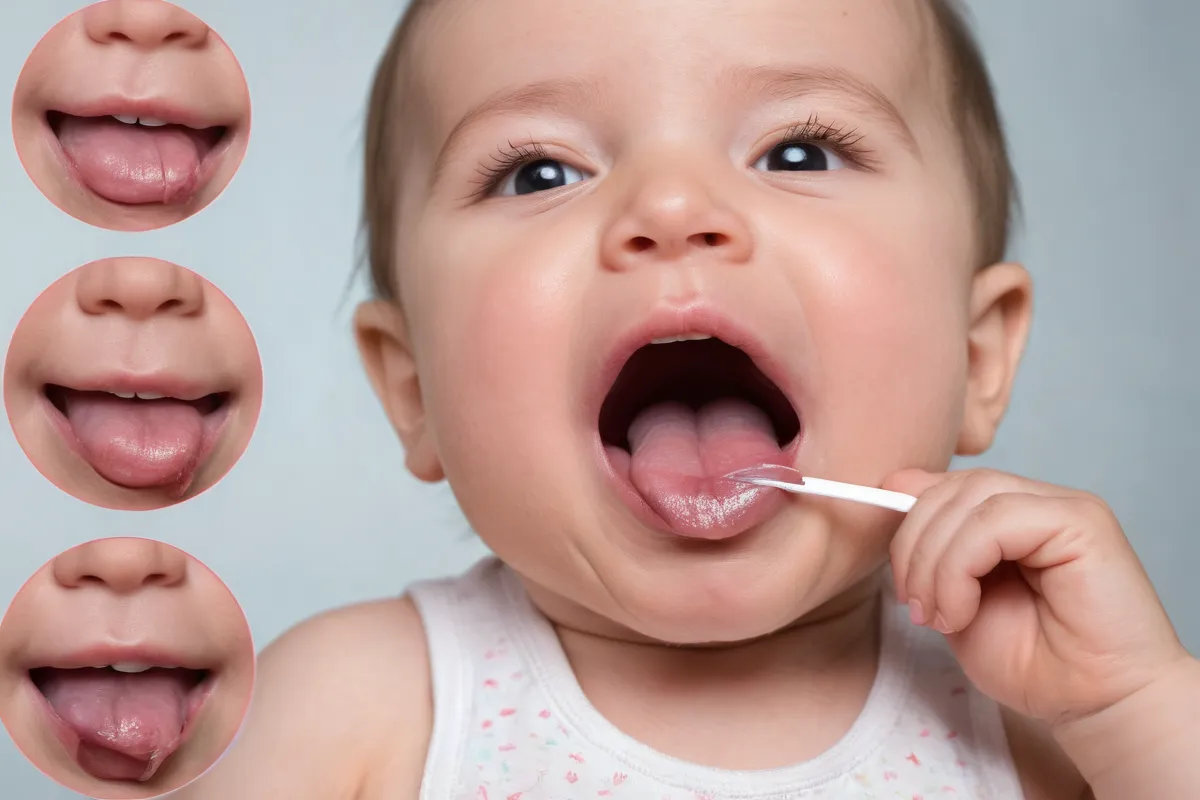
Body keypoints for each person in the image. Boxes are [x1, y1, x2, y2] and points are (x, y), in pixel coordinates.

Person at [178, 0, 1200, 797]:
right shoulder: (355, 710)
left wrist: (1141, 709)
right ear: (414, 391)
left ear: (978, 357)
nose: (670, 208)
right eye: (540, 171)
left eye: (798, 153)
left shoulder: (1045, 723)